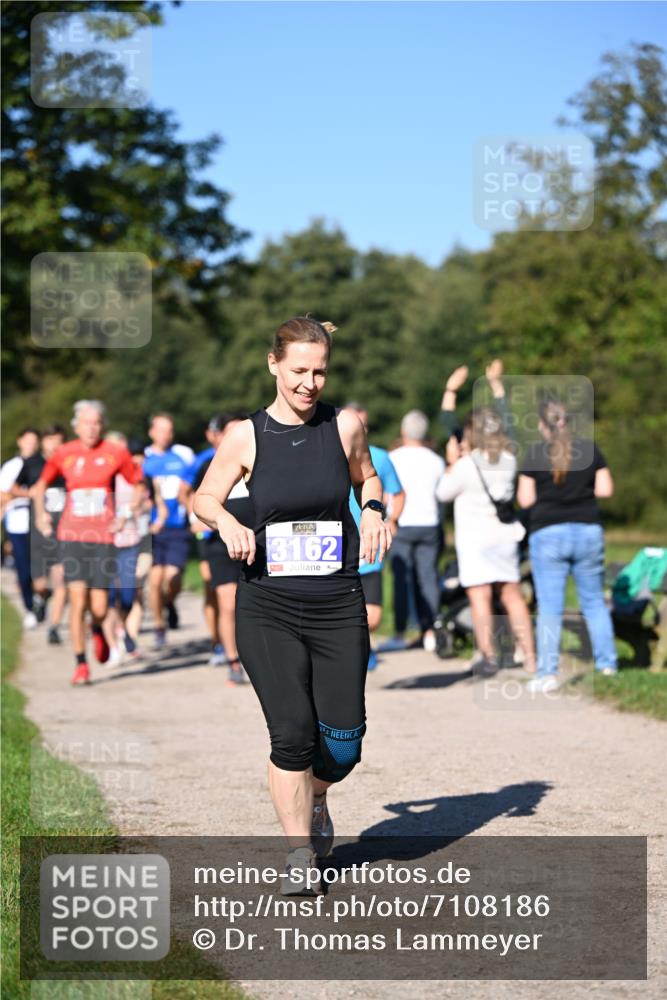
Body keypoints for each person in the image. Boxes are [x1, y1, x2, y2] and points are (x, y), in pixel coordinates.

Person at [194, 315, 393, 892]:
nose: (309, 383)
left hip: (336, 601)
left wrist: (375, 509)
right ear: (274, 365)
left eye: (320, 372)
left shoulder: (345, 426)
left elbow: (368, 477)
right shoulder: (246, 435)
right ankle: (299, 855)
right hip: (267, 605)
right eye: (299, 370)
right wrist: (228, 519)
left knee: (343, 744)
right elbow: (206, 497)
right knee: (291, 734)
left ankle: (320, 795)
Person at [33, 401, 144, 685]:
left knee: (97, 606)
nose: (91, 428)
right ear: (76, 426)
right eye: (86, 423)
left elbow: (139, 485)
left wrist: (125, 515)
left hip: (102, 537)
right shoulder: (64, 453)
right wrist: (40, 514)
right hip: (72, 536)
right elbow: (40, 486)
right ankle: (81, 664)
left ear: (102, 425)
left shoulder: (115, 453)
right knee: (76, 599)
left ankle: (97, 628)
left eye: (96, 423)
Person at [436, 365, 536, 675]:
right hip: (505, 537)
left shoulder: (466, 465)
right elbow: (507, 421)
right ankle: (530, 656)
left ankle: (488, 655)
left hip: (476, 541)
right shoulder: (509, 460)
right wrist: (497, 386)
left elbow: (442, 493)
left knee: (480, 598)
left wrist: (452, 463)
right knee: (512, 596)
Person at [517, 399, 617, 691]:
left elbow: (525, 500)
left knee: (550, 606)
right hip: (588, 531)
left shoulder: (535, 454)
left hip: (547, 533)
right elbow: (605, 489)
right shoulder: (590, 450)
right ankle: (607, 665)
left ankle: (547, 674)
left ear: (541, 425)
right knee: (594, 602)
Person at [188, 413, 252, 683]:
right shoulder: (210, 467)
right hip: (221, 545)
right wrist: (218, 523)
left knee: (254, 607)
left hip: (256, 543)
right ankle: (233, 660)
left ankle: (257, 657)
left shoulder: (262, 463)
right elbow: (197, 514)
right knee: (228, 604)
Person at [345, 402, 405, 670]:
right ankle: (348, 650)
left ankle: (359, 641)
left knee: (375, 615)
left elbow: (399, 493)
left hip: (370, 542)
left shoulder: (380, 457)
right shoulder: (329, 455)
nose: (361, 428)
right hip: (338, 544)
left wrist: (392, 519)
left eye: (364, 424)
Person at [380, 410, 444, 653]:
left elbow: (387, 494)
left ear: (403, 431)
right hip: (429, 524)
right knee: (428, 579)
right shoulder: (436, 460)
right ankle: (430, 631)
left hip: (401, 523)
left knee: (401, 580)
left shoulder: (392, 458)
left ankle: (399, 632)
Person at [143, 414, 194, 648]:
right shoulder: (144, 459)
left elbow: (192, 487)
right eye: (161, 430)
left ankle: (170, 602)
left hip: (177, 528)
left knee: (173, 578)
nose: (166, 434)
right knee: (155, 581)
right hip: (153, 529)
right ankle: (159, 626)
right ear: (152, 432)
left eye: (169, 430)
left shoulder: (182, 457)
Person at [103, 433, 154, 665]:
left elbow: (139, 497)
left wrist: (125, 515)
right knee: (107, 596)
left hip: (130, 541)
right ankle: (114, 646)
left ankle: (123, 630)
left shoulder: (132, 474)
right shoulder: (99, 477)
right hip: (101, 543)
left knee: (127, 595)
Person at [18, 424, 68, 643]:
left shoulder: (69, 463)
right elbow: (12, 488)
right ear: (44, 442)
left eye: (59, 440)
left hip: (64, 528)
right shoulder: (33, 463)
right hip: (39, 529)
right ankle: (40, 599)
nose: (55, 445)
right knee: (39, 582)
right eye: (51, 440)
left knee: (61, 578)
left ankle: (54, 627)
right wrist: (31, 493)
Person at [0, 427, 41, 627]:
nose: (31, 445)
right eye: (28, 441)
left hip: (40, 523)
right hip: (17, 522)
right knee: (24, 570)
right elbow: (3, 495)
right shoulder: (11, 467)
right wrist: (27, 494)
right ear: (20, 441)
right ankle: (29, 608)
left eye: (35, 441)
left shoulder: (43, 464)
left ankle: (41, 597)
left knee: (43, 569)